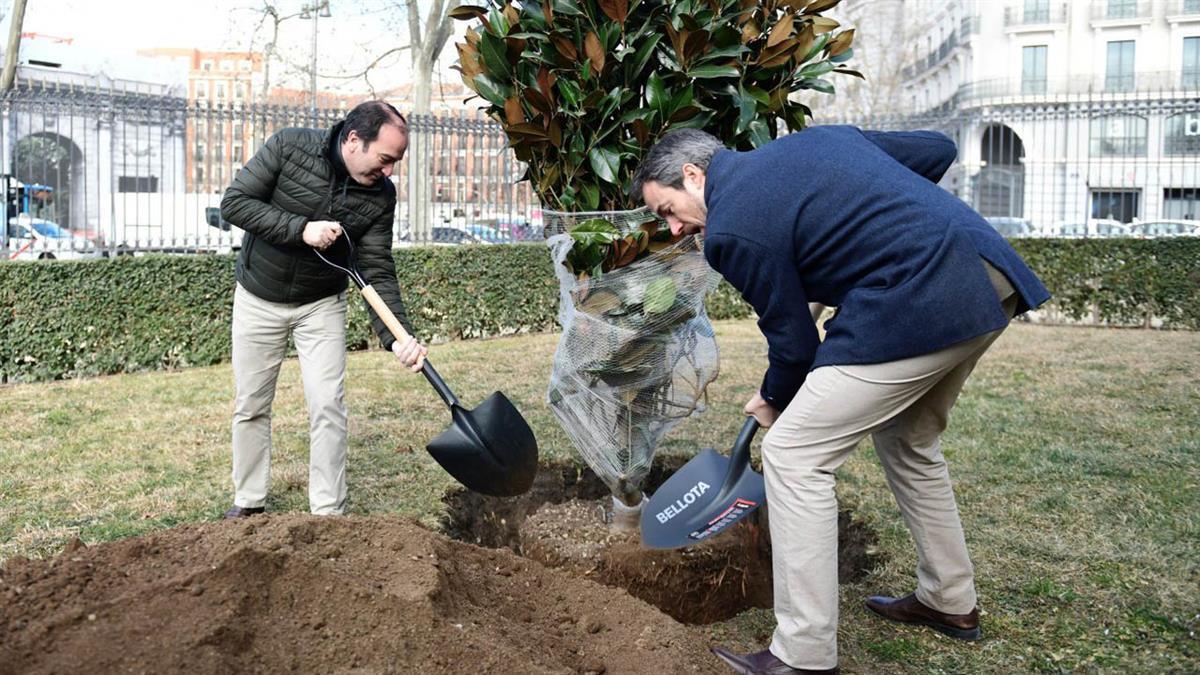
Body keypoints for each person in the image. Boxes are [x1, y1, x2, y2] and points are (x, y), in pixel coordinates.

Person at [633, 127, 1050, 674]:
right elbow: (938, 150)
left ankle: (803, 654)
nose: (674, 226)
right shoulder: (817, 143)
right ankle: (949, 600)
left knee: (794, 455)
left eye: (668, 209)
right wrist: (871, 220)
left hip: (917, 295)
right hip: (987, 275)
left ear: (693, 175)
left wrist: (772, 397)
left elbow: (794, 342)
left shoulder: (731, 227)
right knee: (908, 439)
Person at [219, 100, 428, 519]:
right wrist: (301, 229)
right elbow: (235, 203)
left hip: (321, 305)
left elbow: (376, 269)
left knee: (328, 405)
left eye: (396, 162)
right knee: (252, 404)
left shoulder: (380, 195)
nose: (389, 172)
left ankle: (329, 513)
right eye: (386, 159)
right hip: (259, 296)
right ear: (354, 140)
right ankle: (249, 500)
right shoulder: (290, 146)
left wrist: (398, 337)